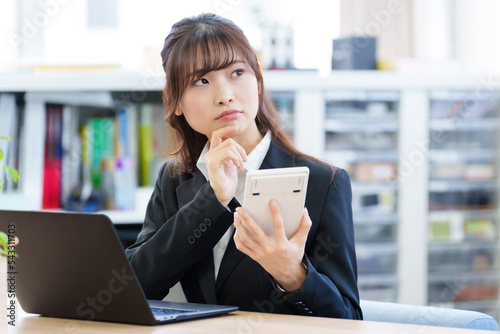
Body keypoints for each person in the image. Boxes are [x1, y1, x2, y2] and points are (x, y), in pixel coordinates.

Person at [125, 13, 362, 320]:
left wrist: (293, 276)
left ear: (258, 81)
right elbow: (135, 286)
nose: (225, 96)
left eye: (237, 73)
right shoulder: (175, 178)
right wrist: (212, 200)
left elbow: (349, 319)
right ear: (176, 102)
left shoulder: (324, 183)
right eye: (201, 80)